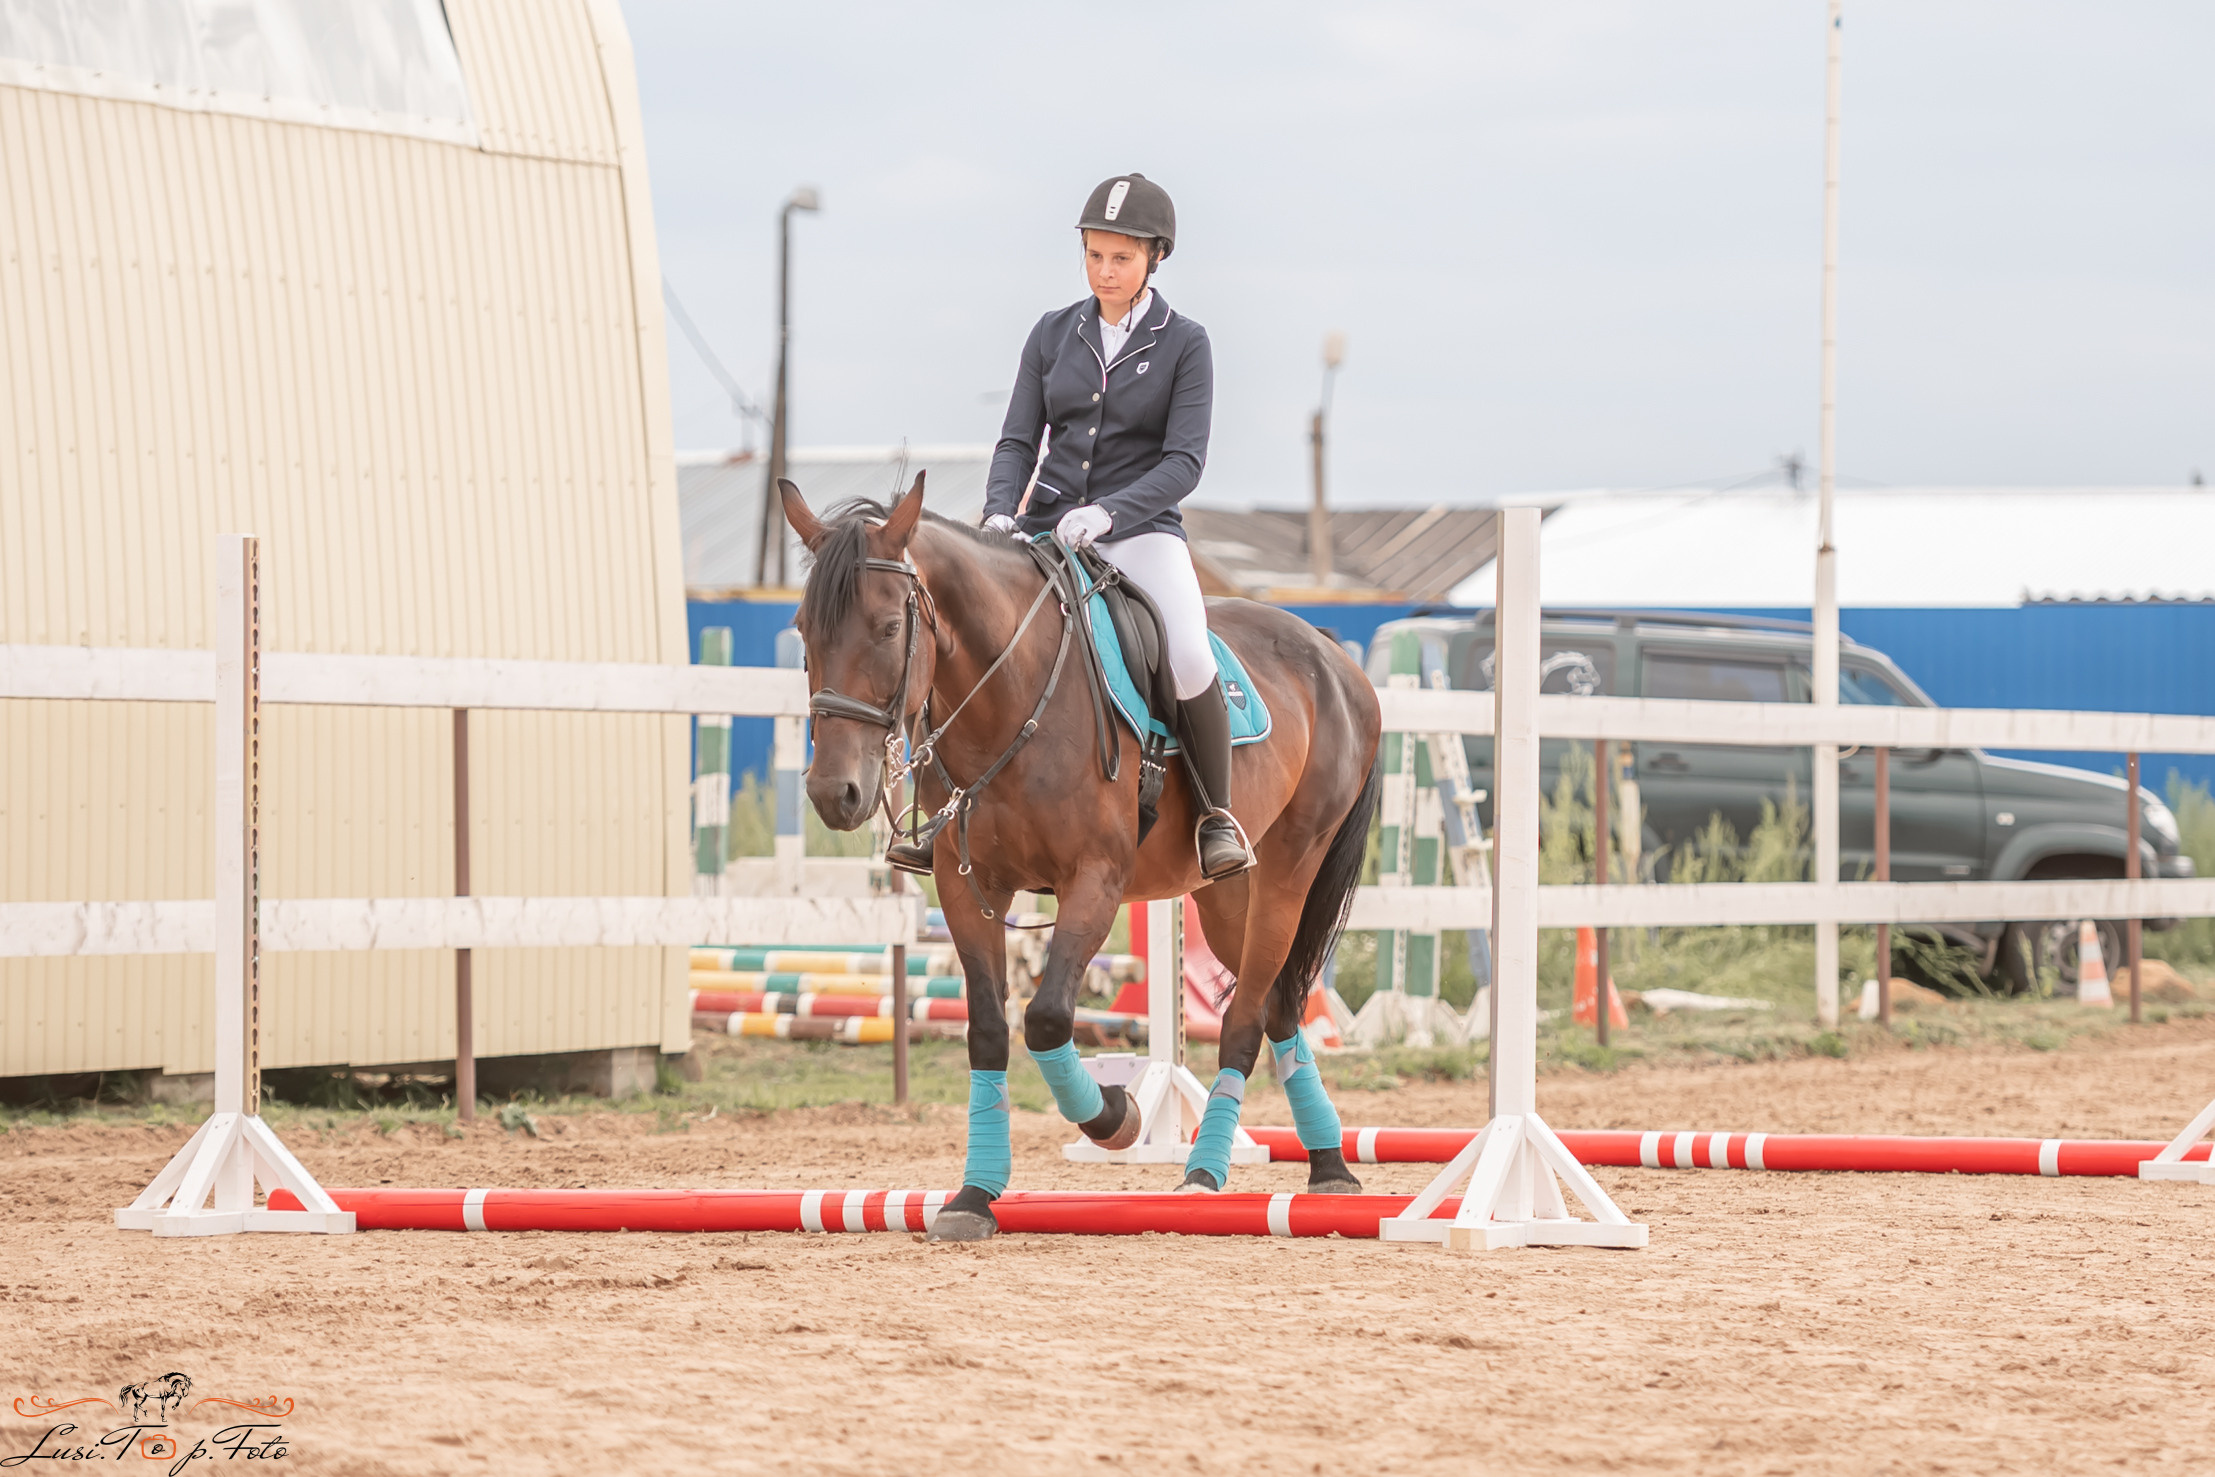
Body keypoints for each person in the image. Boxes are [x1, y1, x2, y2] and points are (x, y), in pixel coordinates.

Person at [959, 172, 1253, 880]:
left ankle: (1215, 815)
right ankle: (947, 803)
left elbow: (1184, 461)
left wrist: (1112, 512)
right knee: (970, 630)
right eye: (1094, 255)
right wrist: (1001, 509)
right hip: (1047, 526)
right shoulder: (1053, 333)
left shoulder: (1185, 343)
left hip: (1141, 530)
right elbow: (1017, 441)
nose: (1104, 271)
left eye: (1120, 258)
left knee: (1186, 649)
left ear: (1154, 257)